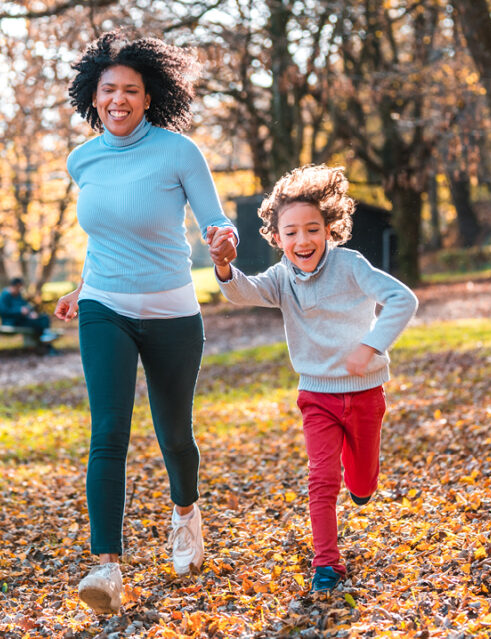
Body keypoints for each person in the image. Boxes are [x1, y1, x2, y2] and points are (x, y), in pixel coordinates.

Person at [53, 30, 238, 615]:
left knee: (174, 435)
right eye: (108, 89)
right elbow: (105, 237)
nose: (119, 100)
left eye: (130, 90)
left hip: (171, 310)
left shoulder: (179, 152)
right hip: (103, 307)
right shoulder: (81, 160)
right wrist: (81, 288)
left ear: (149, 96)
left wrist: (223, 241)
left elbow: (215, 219)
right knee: (108, 432)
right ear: (93, 95)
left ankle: (186, 516)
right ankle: (106, 566)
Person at [208, 164, 418, 593]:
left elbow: (402, 299)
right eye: (291, 232)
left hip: (365, 393)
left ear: (329, 229)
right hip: (316, 396)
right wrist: (225, 269)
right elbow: (243, 291)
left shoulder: (351, 265)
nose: (302, 240)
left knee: (361, 480)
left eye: (311, 229)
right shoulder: (282, 278)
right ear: (276, 237)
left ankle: (363, 482)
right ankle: (327, 565)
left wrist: (372, 345)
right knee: (321, 478)